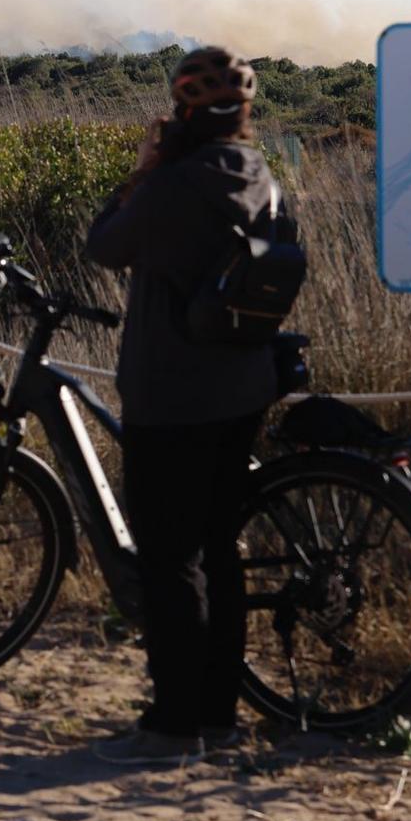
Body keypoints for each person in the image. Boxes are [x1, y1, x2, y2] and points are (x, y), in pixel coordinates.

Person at [84, 46, 280, 766]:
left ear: (184, 113)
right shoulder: (257, 174)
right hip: (244, 387)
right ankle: (218, 714)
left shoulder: (172, 186)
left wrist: (143, 170)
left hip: (171, 395)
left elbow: (105, 245)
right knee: (219, 551)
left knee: (171, 558)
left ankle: (173, 723)